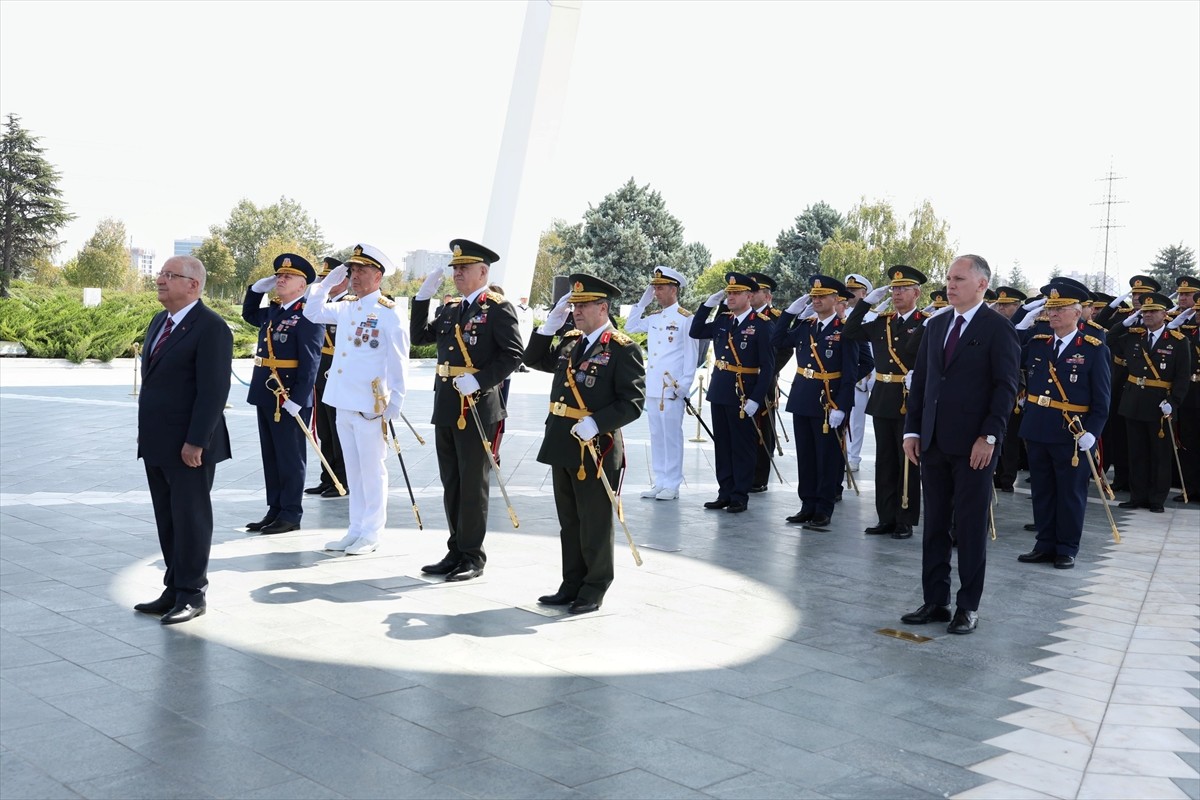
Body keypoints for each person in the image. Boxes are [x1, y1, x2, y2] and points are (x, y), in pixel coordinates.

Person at [900, 254, 1020, 635]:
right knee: (934, 524)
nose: (950, 285)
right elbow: (922, 382)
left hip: (974, 447)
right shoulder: (936, 325)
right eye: (949, 279)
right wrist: (912, 430)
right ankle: (936, 600)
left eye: (959, 279)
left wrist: (990, 436)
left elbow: (1006, 388)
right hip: (934, 442)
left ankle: (968, 606)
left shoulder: (998, 329)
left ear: (982, 285)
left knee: (968, 527)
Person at [523, 273, 646, 614]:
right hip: (563, 442)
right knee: (570, 521)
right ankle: (571, 583)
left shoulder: (622, 348)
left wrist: (597, 423)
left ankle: (594, 587)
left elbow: (633, 402)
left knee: (595, 521)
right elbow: (533, 360)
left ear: (602, 308)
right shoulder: (570, 341)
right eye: (573, 305)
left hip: (596, 448)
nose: (576, 311)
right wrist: (549, 326)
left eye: (583, 305)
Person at [410, 240, 523, 581]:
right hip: (447, 403)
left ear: (483, 272)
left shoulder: (498, 308)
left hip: (476, 406)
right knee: (452, 481)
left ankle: (473, 556)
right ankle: (456, 549)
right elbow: (419, 337)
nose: (457, 273)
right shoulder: (450, 309)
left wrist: (481, 380)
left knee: (473, 483)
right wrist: (422, 299)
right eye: (455, 268)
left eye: (464, 268)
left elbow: (513, 354)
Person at [134, 255, 232, 625]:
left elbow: (213, 391)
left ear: (193, 285)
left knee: (191, 519)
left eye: (169, 275)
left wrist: (197, 441)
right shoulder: (159, 321)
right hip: (158, 442)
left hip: (190, 447)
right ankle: (173, 588)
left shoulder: (211, 327)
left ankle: (193, 593)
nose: (160, 280)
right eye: (160, 274)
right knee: (168, 518)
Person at [302, 244, 409, 555]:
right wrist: (325, 284)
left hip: (370, 405)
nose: (355, 276)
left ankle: (372, 533)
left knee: (372, 471)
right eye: (352, 270)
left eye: (362, 270)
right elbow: (312, 312)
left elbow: (399, 360)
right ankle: (355, 529)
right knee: (354, 471)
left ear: (378, 276)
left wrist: (397, 401)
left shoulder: (389, 312)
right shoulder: (347, 306)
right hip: (343, 400)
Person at [1017, 281, 1111, 569]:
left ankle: (1067, 548)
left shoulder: (1093, 349)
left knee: (1070, 493)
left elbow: (1102, 399)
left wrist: (1092, 433)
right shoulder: (1038, 344)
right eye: (1051, 308)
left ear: (1077, 313)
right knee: (1042, 490)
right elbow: (1009, 355)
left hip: (1072, 433)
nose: (1053, 314)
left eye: (1060, 309)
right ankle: (1044, 544)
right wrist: (1021, 325)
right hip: (1037, 427)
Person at [843, 265, 927, 539]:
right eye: (894, 289)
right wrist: (866, 303)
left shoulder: (925, 323)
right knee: (885, 461)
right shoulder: (883, 322)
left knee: (907, 461)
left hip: (910, 399)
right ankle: (886, 517)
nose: (897, 293)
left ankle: (905, 518)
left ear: (916, 293)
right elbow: (850, 331)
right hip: (883, 398)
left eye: (903, 289)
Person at [242, 254, 323, 534]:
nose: (281, 279)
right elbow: (249, 314)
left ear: (302, 285)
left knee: (290, 456)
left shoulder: (309, 314)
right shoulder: (274, 311)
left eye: (288, 276)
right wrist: (255, 290)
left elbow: (311, 361)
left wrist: (297, 400)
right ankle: (274, 509)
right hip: (267, 392)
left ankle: (290, 513)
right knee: (272, 455)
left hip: (289, 397)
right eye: (278, 275)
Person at [772, 275, 858, 529]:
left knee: (827, 458)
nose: (816, 300)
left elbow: (850, 372)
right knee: (806, 456)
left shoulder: (845, 330)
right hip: (803, 397)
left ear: (835, 299)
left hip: (828, 402)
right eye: (814, 296)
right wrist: (789, 313)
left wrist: (842, 406)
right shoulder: (806, 326)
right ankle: (807, 504)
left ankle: (823, 508)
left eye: (822, 296)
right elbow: (777, 340)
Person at [689, 272, 775, 513]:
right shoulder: (723, 320)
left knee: (742, 446)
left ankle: (739, 495)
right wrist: (707, 305)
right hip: (720, 389)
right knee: (723, 445)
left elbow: (768, 367)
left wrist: (756, 399)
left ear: (749, 296)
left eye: (736, 293)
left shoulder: (762, 325)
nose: (731, 297)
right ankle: (724, 492)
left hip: (744, 393)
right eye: (729, 293)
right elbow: (696, 331)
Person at [1107, 290, 1192, 513]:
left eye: (1153, 311)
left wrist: (1174, 401)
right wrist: (1124, 323)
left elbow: (1182, 376)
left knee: (1160, 454)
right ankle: (1138, 496)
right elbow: (1109, 340)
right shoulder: (1134, 337)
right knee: (1136, 452)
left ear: (1164, 314)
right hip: (1134, 402)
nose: (1147, 315)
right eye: (1145, 311)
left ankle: (1156, 498)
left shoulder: (1177, 341)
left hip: (1160, 405)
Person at [625, 266, 699, 501]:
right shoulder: (655, 317)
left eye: (660, 288)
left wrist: (684, 385)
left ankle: (673, 484)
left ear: (673, 289)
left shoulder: (686, 319)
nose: (655, 292)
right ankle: (660, 481)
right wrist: (642, 303)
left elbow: (691, 355)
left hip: (672, 388)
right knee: (657, 435)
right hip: (654, 386)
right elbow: (630, 327)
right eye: (654, 288)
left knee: (672, 437)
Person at [306, 257, 351, 499]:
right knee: (324, 430)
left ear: (344, 280)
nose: (326, 282)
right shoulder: (324, 306)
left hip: (339, 374)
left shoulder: (349, 305)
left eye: (330, 278)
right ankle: (328, 477)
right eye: (324, 278)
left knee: (338, 431)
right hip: (321, 373)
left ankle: (341, 480)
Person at [744, 271, 790, 493]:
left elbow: (786, 350)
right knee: (744, 427)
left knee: (763, 426)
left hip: (765, 379)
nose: (751, 295)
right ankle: (744, 472)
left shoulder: (776, 317)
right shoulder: (742, 315)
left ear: (768, 296)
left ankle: (759, 476)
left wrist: (769, 371)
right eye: (749, 291)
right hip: (742, 379)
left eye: (756, 291)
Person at [989, 287, 1028, 493]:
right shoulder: (993, 326)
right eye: (1000, 305)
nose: (1002, 308)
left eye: (1007, 305)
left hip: (1018, 387)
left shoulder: (1027, 326)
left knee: (1011, 436)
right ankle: (996, 473)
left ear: (1018, 307)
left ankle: (1007, 477)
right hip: (994, 384)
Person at [1168, 275, 1199, 502]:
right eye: (1197, 311)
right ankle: (1191, 488)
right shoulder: (1187, 331)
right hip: (1191, 392)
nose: (1198, 315)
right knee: (1188, 441)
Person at [842, 274, 874, 473]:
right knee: (843, 418)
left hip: (863, 375)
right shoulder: (839, 313)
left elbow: (876, 350)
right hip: (843, 375)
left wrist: (871, 375)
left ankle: (854, 457)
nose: (850, 294)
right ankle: (842, 453)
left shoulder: (873, 317)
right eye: (848, 290)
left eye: (854, 291)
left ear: (864, 293)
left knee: (857, 421)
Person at [514, 295, 534, 372]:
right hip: (519, 330)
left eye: (525, 299)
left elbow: (531, 321)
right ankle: (516, 365)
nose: (524, 300)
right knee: (518, 347)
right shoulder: (516, 308)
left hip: (526, 331)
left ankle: (522, 365)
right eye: (523, 298)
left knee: (525, 347)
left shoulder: (530, 309)